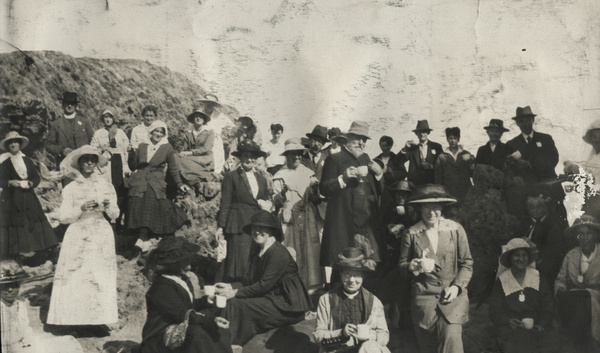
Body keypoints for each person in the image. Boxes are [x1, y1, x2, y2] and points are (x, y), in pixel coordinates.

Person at [47, 145, 119, 333]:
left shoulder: (106, 185)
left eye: (93, 159)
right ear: (79, 162)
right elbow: (63, 217)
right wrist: (81, 209)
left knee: (100, 277)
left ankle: (98, 320)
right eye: (85, 159)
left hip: (101, 233)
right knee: (77, 277)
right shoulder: (71, 187)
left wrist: (108, 206)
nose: (89, 162)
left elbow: (115, 214)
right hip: (78, 234)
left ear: (96, 163)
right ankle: (74, 321)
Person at [216, 210, 311, 346]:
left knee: (238, 304)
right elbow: (249, 280)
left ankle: (226, 344)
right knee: (232, 303)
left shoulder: (278, 253)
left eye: (262, 229)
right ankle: (223, 342)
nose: (257, 232)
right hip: (271, 297)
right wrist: (230, 286)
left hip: (287, 305)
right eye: (255, 228)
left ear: (271, 231)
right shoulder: (257, 249)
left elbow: (263, 285)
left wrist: (234, 293)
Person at [399, 184, 473, 353]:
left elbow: (467, 263)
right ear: (419, 209)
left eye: (436, 208)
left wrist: (456, 287)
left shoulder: (455, 230)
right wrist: (411, 267)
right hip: (424, 301)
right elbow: (401, 267)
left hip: (453, 299)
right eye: (427, 208)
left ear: (442, 208)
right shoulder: (411, 234)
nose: (431, 213)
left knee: (452, 339)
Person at [140, 237, 232, 353]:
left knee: (215, 330)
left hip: (178, 328)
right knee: (198, 332)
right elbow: (181, 313)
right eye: (185, 261)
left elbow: (185, 305)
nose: (189, 265)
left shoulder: (181, 279)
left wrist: (205, 301)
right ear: (174, 264)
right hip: (160, 339)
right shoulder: (162, 286)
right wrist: (210, 320)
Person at [320, 121, 385, 275]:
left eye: (364, 140)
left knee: (367, 267)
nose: (361, 143)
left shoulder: (366, 159)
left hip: (366, 224)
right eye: (357, 138)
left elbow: (377, 191)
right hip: (344, 222)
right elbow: (323, 189)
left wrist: (379, 174)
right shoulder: (334, 159)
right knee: (343, 264)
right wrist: (342, 179)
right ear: (348, 138)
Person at [313, 237, 390, 353]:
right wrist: (341, 333)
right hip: (337, 349)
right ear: (340, 275)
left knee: (370, 347)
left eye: (357, 274)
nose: (351, 280)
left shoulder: (373, 301)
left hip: (365, 350)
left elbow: (384, 335)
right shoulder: (326, 300)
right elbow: (318, 335)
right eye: (347, 274)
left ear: (363, 276)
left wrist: (370, 335)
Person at [127, 120, 190, 252]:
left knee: (150, 194)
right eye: (156, 131)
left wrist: (179, 184)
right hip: (140, 177)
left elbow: (173, 169)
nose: (158, 134)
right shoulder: (142, 146)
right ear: (151, 132)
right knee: (136, 194)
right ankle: (141, 236)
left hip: (156, 179)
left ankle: (143, 236)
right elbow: (133, 166)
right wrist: (131, 155)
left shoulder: (167, 147)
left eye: (161, 132)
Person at [216, 139, 273, 282]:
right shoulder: (231, 176)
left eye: (252, 156)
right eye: (246, 156)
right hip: (238, 223)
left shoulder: (261, 178)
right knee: (238, 259)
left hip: (255, 224)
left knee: (253, 257)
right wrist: (220, 226)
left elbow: (264, 199)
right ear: (240, 158)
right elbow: (225, 202)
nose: (249, 159)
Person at [489, 238, 558, 353]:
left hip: (536, 325)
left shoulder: (538, 277)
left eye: (524, 255)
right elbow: (494, 310)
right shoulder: (502, 280)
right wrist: (507, 321)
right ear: (510, 258)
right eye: (517, 255)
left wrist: (542, 323)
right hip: (512, 328)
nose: (521, 259)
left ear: (528, 258)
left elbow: (548, 305)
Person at [272, 138, 324, 289]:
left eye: (299, 154)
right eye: (293, 154)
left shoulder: (308, 173)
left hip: (307, 217)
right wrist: (282, 194)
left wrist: (315, 191)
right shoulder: (280, 175)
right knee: (290, 250)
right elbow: (276, 201)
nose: (296, 157)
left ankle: (310, 288)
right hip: (289, 218)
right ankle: (291, 287)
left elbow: (315, 198)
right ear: (287, 156)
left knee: (310, 252)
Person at [1, 260, 84, 353]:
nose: (10, 289)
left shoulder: (19, 304)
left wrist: (30, 343)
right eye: (5, 286)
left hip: (22, 345)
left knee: (68, 343)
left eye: (14, 285)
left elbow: (26, 330)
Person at [0, 131, 57, 258]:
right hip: (13, 197)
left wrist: (31, 183)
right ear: (8, 146)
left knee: (35, 218)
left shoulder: (27, 161)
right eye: (10, 143)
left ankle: (41, 248)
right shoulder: (5, 163)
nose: (13, 145)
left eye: (15, 142)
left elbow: (36, 177)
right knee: (18, 221)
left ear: (20, 144)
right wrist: (9, 182)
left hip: (29, 196)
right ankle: (22, 250)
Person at [554, 215, 600, 352]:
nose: (585, 238)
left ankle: (593, 344)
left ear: (595, 235)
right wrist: (560, 288)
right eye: (581, 234)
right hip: (575, 302)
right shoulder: (571, 255)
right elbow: (560, 279)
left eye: (588, 233)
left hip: (597, 300)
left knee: (589, 299)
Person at [90, 108, 131, 227]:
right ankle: (106, 220)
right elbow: (92, 150)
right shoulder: (98, 133)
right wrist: (102, 149)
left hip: (118, 164)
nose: (108, 119)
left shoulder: (121, 133)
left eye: (110, 117)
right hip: (105, 165)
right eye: (105, 117)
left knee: (119, 192)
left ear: (114, 118)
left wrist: (126, 165)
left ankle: (118, 220)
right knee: (106, 191)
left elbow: (125, 150)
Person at [516, 190, 564, 287]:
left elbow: (553, 255)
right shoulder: (523, 224)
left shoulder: (552, 227)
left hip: (543, 268)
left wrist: (535, 248)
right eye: (532, 208)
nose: (535, 210)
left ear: (545, 208)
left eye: (539, 207)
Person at [507, 106, 559, 183]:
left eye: (527, 120)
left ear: (533, 120)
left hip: (548, 182)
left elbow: (553, 159)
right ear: (517, 123)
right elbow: (511, 168)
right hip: (526, 187)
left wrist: (530, 164)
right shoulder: (511, 144)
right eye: (521, 121)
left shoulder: (546, 139)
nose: (525, 124)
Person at [45, 91, 94, 174]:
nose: (70, 106)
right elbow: (49, 145)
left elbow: (93, 141)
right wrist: (61, 150)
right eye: (67, 103)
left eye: (72, 103)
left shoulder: (84, 122)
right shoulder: (55, 124)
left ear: (75, 106)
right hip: (65, 165)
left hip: (84, 165)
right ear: (63, 104)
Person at [178, 106, 216, 189]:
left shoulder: (209, 132)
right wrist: (183, 153)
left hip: (204, 159)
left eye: (201, 116)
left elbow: (206, 149)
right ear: (193, 119)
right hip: (191, 158)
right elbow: (185, 147)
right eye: (196, 116)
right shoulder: (189, 132)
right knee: (176, 159)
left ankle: (194, 180)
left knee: (182, 162)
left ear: (204, 119)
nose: (198, 118)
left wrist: (190, 153)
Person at [433, 127, 473, 200]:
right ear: (447, 139)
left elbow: (472, 172)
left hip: (465, 190)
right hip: (449, 191)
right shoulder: (442, 156)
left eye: (455, 138)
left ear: (458, 139)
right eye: (450, 138)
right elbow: (438, 177)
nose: (452, 141)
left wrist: (471, 161)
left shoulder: (466, 153)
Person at [400, 120, 443, 186]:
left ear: (428, 133)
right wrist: (405, 148)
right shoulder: (412, 148)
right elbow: (398, 162)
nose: (422, 134)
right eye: (419, 132)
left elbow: (442, 165)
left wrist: (431, 166)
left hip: (432, 182)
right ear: (416, 134)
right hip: (415, 183)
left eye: (424, 132)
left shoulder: (436, 146)